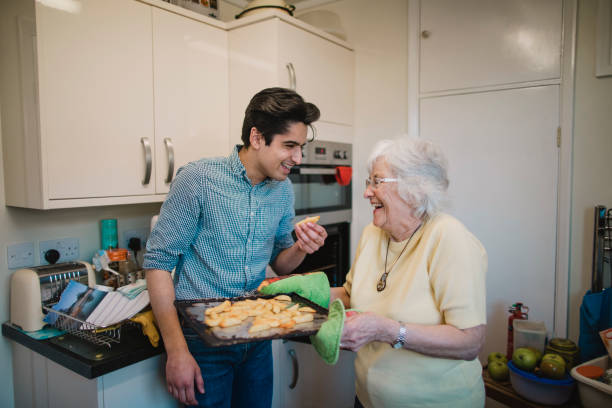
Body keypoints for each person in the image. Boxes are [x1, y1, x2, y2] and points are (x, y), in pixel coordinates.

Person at [143, 87, 328, 408]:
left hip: (255, 333)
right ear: (257, 138)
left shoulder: (283, 190)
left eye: (300, 147)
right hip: (200, 340)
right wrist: (177, 352)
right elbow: (158, 263)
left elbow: (281, 264)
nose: (297, 159)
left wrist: (301, 246)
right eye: (289, 146)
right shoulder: (198, 179)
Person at [330, 137, 487, 408]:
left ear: (414, 188)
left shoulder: (449, 238)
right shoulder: (372, 234)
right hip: (367, 400)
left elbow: (469, 342)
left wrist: (389, 331)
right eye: (369, 181)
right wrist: (295, 297)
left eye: (377, 181)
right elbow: (350, 294)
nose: (367, 192)